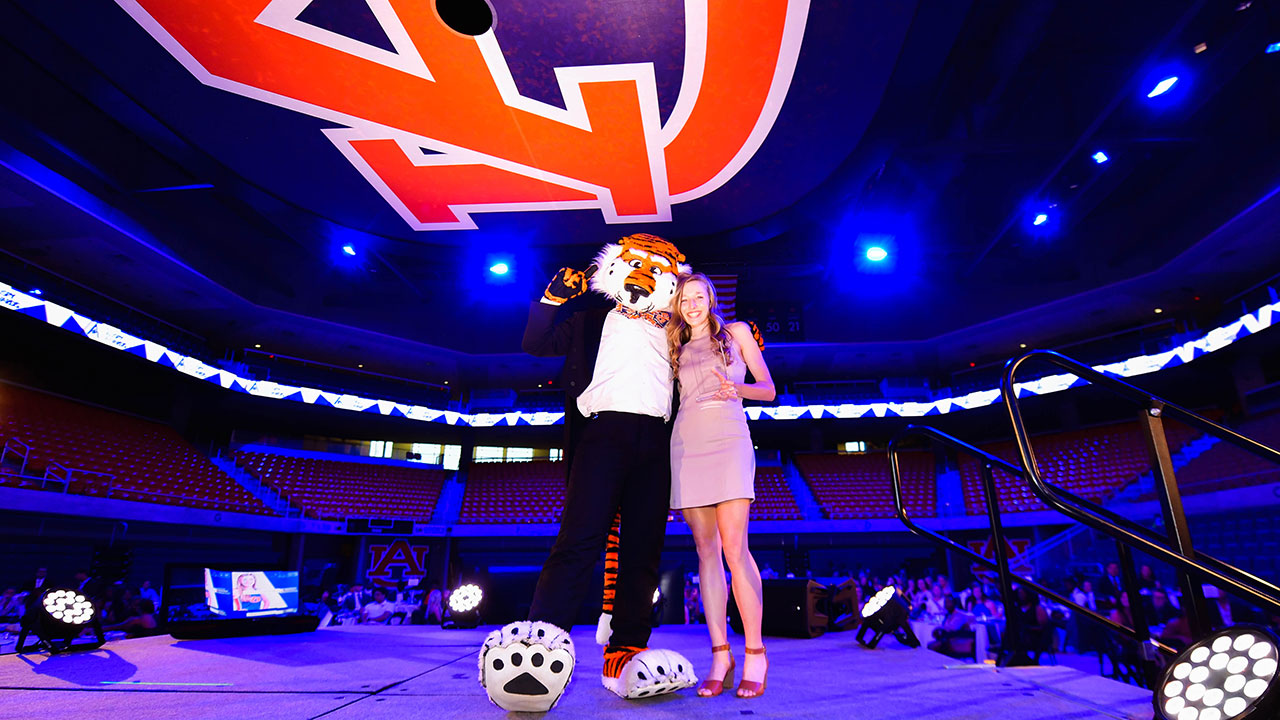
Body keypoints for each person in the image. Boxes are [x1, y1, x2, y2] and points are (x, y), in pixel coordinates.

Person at [667, 272, 776, 699]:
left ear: (711, 298)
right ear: (677, 304)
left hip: (729, 440)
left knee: (735, 548)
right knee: (706, 552)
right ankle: (720, 654)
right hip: (687, 444)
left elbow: (768, 389)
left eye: (698, 296)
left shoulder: (737, 333)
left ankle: (755, 653)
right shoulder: (672, 344)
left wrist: (740, 388)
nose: (692, 303)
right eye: (684, 298)